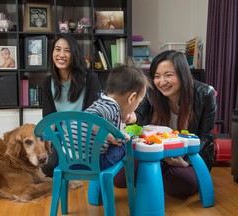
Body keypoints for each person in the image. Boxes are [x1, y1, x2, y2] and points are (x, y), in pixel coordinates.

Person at [114, 50, 217, 199]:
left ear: (182, 74)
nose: (162, 82)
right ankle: (156, 172)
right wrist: (130, 116)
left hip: (190, 157)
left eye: (168, 75)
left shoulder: (205, 94)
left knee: (181, 184)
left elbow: (205, 138)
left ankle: (154, 175)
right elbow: (139, 114)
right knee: (119, 179)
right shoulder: (151, 92)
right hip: (157, 154)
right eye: (157, 76)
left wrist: (185, 162)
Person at [41, 34, 102, 176]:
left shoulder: (90, 78)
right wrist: (47, 140)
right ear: (52, 53)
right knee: (47, 166)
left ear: (74, 54)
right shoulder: (48, 82)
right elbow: (49, 118)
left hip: (84, 137)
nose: (61, 55)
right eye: (57, 49)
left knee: (79, 164)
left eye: (67, 51)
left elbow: (94, 115)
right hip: (60, 137)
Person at [71, 65, 150, 170]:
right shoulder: (112, 107)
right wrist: (112, 137)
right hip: (91, 163)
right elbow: (93, 119)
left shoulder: (101, 101)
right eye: (139, 102)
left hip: (68, 160)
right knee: (125, 144)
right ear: (132, 98)